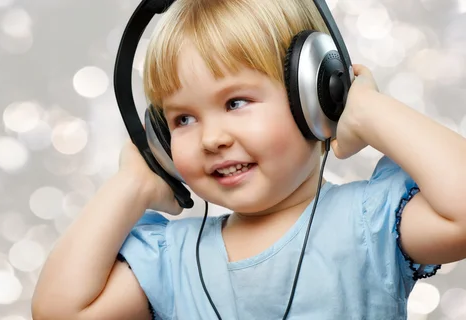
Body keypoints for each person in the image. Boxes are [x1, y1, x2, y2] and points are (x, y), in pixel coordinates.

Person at [31, 0, 466, 319]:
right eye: (182, 119)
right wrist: (132, 185)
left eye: (236, 102)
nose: (212, 139)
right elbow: (60, 313)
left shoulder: (368, 221)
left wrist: (370, 112)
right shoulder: (173, 260)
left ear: (316, 94)